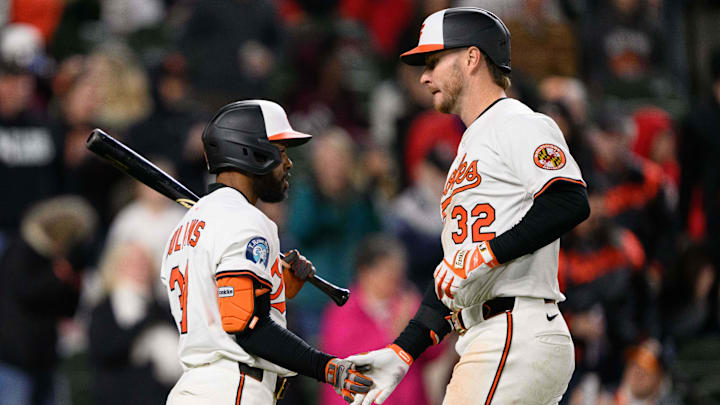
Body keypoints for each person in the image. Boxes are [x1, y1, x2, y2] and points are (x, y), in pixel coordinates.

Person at [347, 7, 590, 405]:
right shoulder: (468, 148)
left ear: (472, 58)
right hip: (488, 330)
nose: (424, 76)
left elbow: (569, 201)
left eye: (434, 61)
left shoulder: (516, 121)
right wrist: (403, 350)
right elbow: (453, 275)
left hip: (513, 326)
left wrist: (486, 255)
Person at [160, 100, 372, 405]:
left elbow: (220, 310)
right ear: (253, 153)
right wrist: (326, 366)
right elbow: (249, 328)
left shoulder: (184, 228)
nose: (288, 164)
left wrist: (276, 287)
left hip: (197, 387)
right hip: (232, 388)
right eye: (281, 153)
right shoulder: (245, 220)